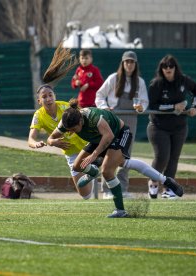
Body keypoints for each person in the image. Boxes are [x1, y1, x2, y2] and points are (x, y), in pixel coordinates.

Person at [48, 99, 184, 218]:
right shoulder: (66, 122)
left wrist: (94, 155)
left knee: (107, 171)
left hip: (119, 134)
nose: (70, 132)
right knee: (77, 166)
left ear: (81, 120)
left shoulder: (95, 118)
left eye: (73, 129)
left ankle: (120, 210)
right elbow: (50, 138)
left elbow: (108, 137)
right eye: (68, 129)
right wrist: (52, 142)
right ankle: (94, 172)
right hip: (98, 138)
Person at [95, 50, 148, 199]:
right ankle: (106, 190)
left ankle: (123, 189)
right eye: (127, 61)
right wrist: (104, 108)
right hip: (113, 119)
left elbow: (144, 101)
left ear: (135, 64)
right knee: (110, 153)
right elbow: (99, 95)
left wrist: (140, 108)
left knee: (126, 155)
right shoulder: (113, 78)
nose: (129, 65)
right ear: (122, 63)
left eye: (132, 62)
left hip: (131, 120)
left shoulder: (140, 82)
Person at [147, 54, 196, 199]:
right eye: (165, 66)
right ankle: (153, 183)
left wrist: (195, 106)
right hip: (158, 126)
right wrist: (173, 106)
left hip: (180, 126)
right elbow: (152, 105)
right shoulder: (156, 84)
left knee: (174, 158)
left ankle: (169, 189)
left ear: (176, 68)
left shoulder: (184, 80)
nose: (168, 69)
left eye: (171, 66)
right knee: (162, 157)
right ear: (161, 69)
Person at [28, 85, 93, 199]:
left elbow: (84, 120)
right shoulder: (38, 115)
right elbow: (30, 140)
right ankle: (91, 171)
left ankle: (93, 168)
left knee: (114, 165)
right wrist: (37, 144)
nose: (48, 99)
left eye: (50, 95)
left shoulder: (65, 106)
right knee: (85, 195)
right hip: (70, 152)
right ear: (39, 101)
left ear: (54, 96)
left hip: (87, 144)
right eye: (44, 97)